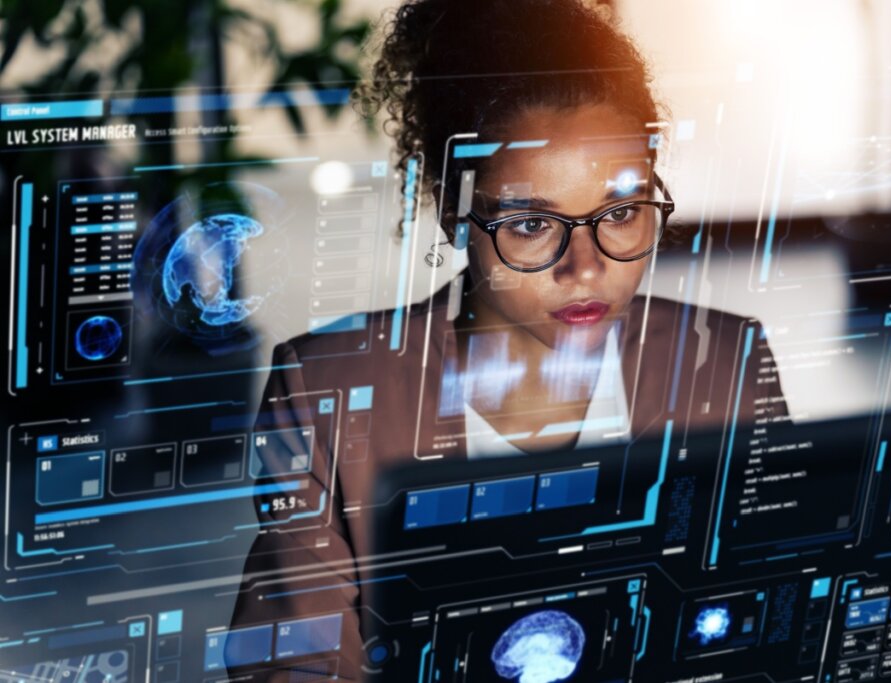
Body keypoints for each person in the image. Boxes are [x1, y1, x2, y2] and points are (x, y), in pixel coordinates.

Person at [230, 1, 785, 680]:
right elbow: (297, 659)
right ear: (452, 209)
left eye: (622, 212)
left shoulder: (724, 364)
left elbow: (768, 624)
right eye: (530, 225)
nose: (586, 267)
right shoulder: (325, 389)